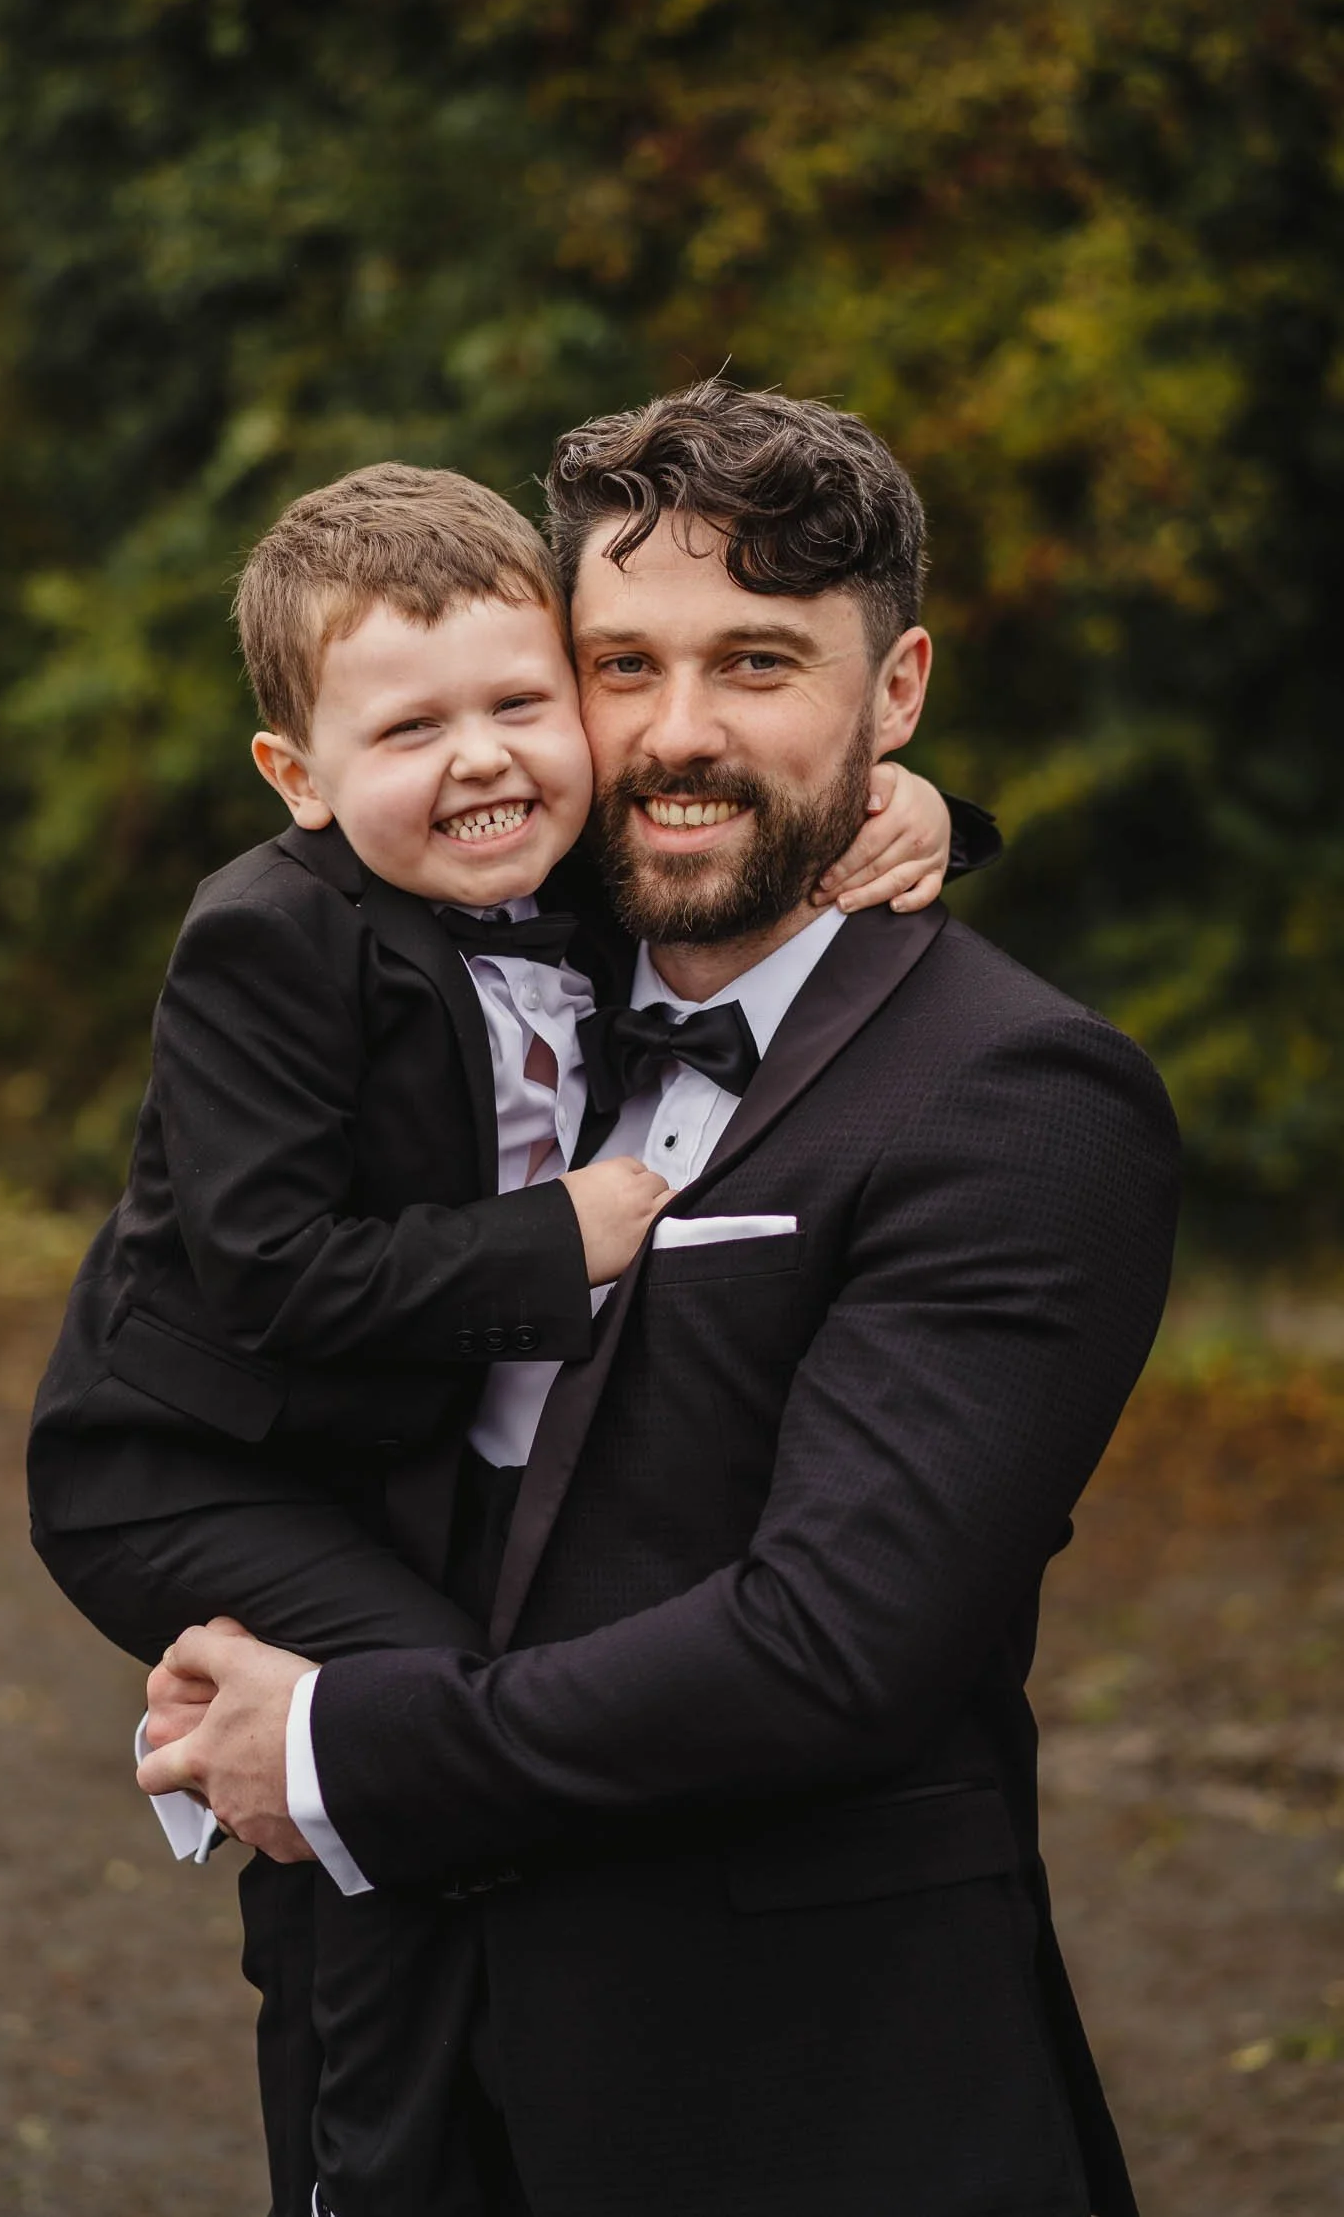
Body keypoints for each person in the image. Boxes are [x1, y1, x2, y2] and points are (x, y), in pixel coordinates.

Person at [141, 381, 1182, 2217]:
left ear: (899, 690)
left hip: (790, 2095)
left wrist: (328, 1744)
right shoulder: (470, 989)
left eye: (763, 664)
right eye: (621, 665)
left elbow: (829, 1648)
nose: (677, 734)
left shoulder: (1019, 1100)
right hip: (396, 2065)